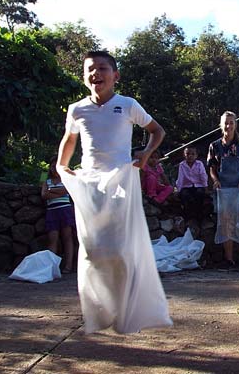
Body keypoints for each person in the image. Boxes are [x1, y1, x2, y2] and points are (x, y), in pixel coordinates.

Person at [56, 50, 172, 334]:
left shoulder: (128, 104)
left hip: (122, 181)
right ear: (84, 77)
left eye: (102, 68)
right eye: (90, 70)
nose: (96, 74)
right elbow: (69, 139)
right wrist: (61, 167)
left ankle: (128, 310)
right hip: (89, 184)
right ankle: (101, 311)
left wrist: (145, 154)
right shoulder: (77, 109)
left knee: (122, 249)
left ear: (115, 75)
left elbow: (158, 131)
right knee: (94, 250)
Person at [208, 111, 239, 270]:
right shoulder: (214, 146)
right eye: (226, 123)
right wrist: (216, 181)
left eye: (231, 123)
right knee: (226, 224)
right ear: (221, 125)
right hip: (223, 190)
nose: (228, 126)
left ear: (235, 124)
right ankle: (229, 259)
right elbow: (212, 168)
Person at [41, 158, 76, 274]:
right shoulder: (46, 180)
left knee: (67, 238)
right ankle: (51, 268)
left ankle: (68, 266)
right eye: (52, 166)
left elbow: (67, 191)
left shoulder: (67, 179)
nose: (54, 169)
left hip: (65, 211)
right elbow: (44, 194)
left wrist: (52, 191)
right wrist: (58, 192)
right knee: (52, 239)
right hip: (52, 212)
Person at [176, 146, 208, 223]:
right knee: (185, 195)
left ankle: (199, 215)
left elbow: (203, 175)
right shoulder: (182, 165)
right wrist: (178, 190)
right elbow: (180, 178)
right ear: (184, 155)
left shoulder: (199, 164)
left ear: (196, 156)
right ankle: (188, 215)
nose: (190, 156)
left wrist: (205, 187)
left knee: (199, 194)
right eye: (188, 154)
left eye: (192, 154)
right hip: (187, 186)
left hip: (198, 185)